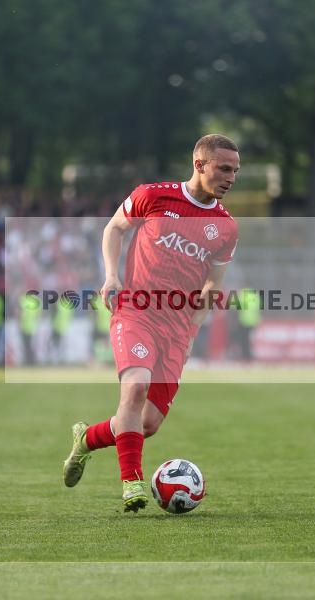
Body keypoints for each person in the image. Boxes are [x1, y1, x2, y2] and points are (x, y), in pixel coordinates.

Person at [62, 134, 240, 512]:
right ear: (199, 165)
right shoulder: (153, 195)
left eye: (235, 171)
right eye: (224, 169)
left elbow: (212, 286)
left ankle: (86, 439)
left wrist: (191, 333)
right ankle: (132, 484)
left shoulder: (226, 228)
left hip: (176, 328)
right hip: (136, 310)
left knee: (147, 423)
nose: (231, 178)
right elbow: (115, 228)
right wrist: (111, 275)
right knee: (136, 387)